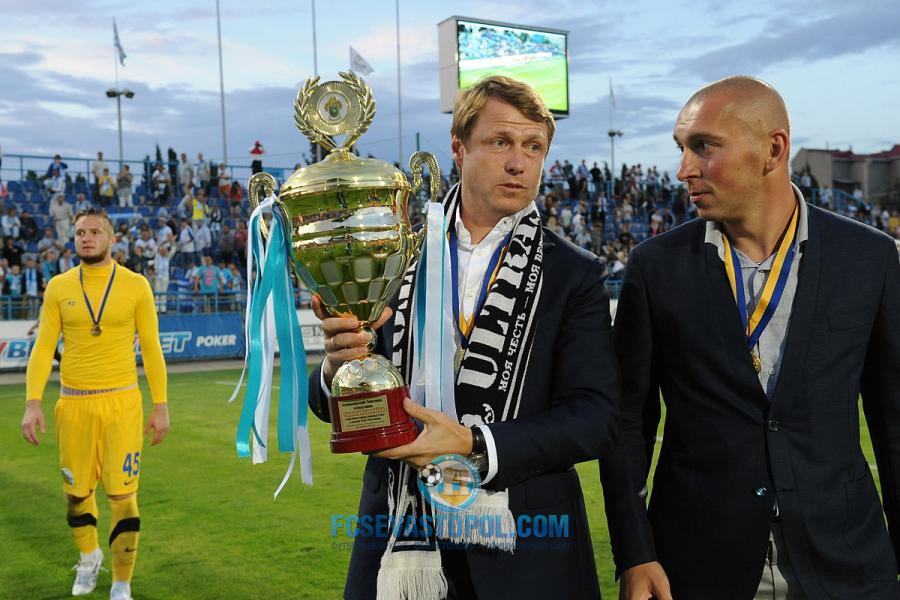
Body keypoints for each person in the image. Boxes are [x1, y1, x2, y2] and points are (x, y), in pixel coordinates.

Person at [308, 75, 620, 599]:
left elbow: (596, 416)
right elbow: (329, 404)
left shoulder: (573, 272)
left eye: (533, 147)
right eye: (500, 141)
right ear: (458, 147)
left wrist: (477, 445)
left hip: (526, 549)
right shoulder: (389, 254)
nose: (518, 163)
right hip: (399, 537)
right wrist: (338, 367)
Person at [601, 76, 899, 600]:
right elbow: (627, 422)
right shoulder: (656, 266)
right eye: (681, 148)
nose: (684, 169)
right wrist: (634, 553)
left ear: (773, 150)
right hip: (698, 564)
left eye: (704, 146)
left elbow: (894, 420)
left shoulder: (868, 257)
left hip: (845, 561)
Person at [20, 208, 169, 600]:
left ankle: (121, 583)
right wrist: (33, 402)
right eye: (80, 232)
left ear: (112, 238)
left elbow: (151, 348)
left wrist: (161, 405)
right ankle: (89, 558)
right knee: (77, 495)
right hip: (73, 405)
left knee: (123, 497)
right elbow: (43, 347)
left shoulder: (136, 286)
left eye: (94, 232)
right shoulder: (59, 287)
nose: (86, 238)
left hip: (122, 404)